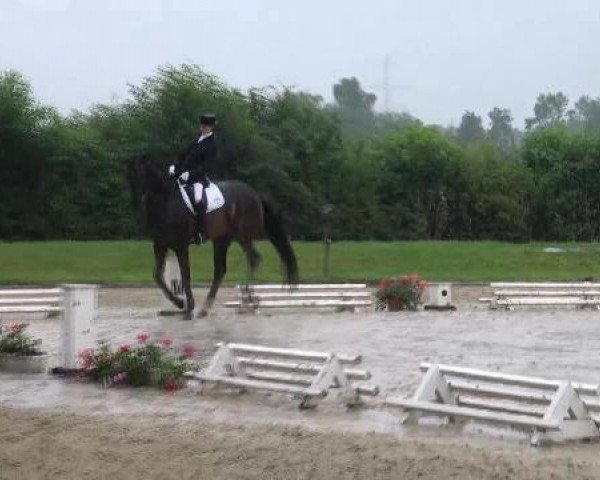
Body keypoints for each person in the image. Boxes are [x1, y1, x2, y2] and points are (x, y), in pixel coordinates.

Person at [169, 114, 218, 243]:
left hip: (198, 178)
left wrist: (190, 174)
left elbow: (206, 166)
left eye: (206, 126)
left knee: (197, 199)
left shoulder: (212, 144)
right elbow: (182, 153)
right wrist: (174, 165)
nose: (203, 128)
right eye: (202, 125)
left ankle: (202, 232)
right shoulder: (197, 138)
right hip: (182, 174)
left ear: (211, 127)